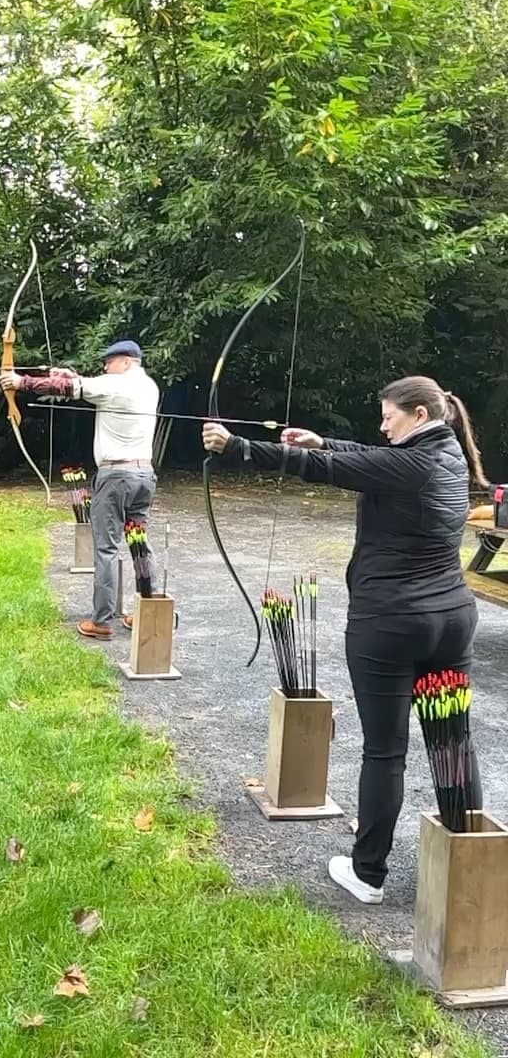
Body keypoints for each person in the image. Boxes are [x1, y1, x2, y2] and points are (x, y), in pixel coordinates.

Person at [203, 376, 486, 905]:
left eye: (389, 417)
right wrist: (322, 440)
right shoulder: (444, 455)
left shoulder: (412, 464)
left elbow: (334, 469)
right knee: (453, 740)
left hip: (392, 623)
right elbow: (363, 457)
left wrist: (237, 447)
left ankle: (368, 874)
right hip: (451, 618)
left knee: (385, 753)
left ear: (419, 415)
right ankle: (472, 867)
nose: (382, 426)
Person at [0, 339, 159, 639]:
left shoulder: (117, 385)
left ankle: (101, 621)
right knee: (139, 542)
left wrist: (20, 382)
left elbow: (71, 390)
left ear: (126, 362)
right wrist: (70, 375)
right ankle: (146, 610)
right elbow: (88, 385)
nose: (105, 367)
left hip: (116, 477)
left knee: (106, 548)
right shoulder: (147, 386)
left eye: (109, 362)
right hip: (144, 475)